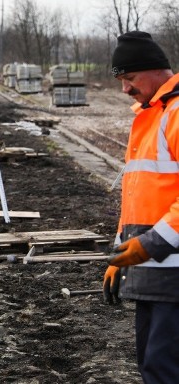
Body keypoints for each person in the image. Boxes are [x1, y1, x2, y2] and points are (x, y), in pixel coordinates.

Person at [102, 30, 179, 383]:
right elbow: (138, 198)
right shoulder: (149, 118)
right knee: (152, 365)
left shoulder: (175, 114)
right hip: (155, 270)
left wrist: (145, 247)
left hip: (170, 269)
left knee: (164, 368)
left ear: (156, 70)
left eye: (129, 78)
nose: (125, 89)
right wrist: (121, 257)